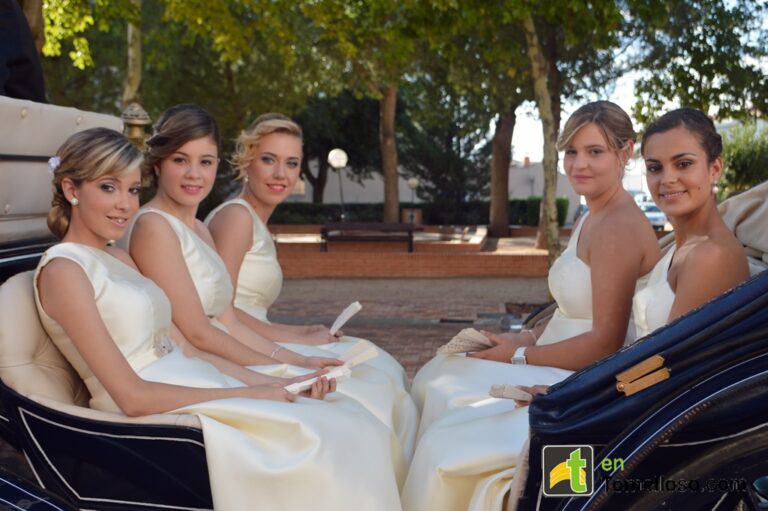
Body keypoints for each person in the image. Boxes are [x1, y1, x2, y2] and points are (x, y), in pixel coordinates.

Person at [35, 127, 403, 510]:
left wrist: (288, 383)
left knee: (349, 416)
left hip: (191, 379)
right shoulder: (65, 270)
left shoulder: (119, 258)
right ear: (71, 190)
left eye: (132, 189)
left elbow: (188, 349)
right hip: (154, 412)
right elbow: (131, 396)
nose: (126, 204)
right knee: (339, 433)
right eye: (109, 187)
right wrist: (249, 393)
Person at [403, 101, 661, 511]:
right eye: (571, 152)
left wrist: (519, 355)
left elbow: (606, 343)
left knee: (445, 401)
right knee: (442, 372)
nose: (579, 164)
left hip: (579, 372)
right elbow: (569, 310)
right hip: (550, 352)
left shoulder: (618, 226)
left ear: (625, 152)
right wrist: (518, 335)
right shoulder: (591, 213)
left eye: (595, 151)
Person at [205, 113, 418, 459]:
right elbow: (221, 314)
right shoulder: (236, 218)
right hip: (237, 346)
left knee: (379, 365)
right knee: (374, 382)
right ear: (246, 161)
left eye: (291, 163)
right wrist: (296, 343)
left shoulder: (253, 218)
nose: (280, 174)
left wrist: (303, 331)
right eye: (268, 160)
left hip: (255, 334)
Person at [124, 105, 339, 372]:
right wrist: (281, 370)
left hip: (214, 358)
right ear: (158, 164)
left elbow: (230, 322)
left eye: (205, 162)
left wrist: (298, 361)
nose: (194, 174)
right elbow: (198, 333)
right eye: (180, 160)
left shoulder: (201, 230)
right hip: (182, 367)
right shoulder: (153, 226)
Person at [632, 107, 749, 338]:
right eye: (655, 168)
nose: (667, 179)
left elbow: (669, 362)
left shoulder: (711, 256)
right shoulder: (681, 247)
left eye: (683, 164)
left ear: (714, 169)